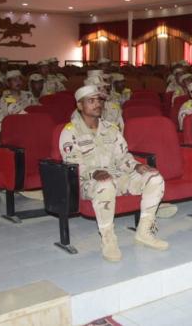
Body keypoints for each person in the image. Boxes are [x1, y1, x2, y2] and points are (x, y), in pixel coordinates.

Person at [59, 85, 168, 262]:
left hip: (117, 176)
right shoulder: (70, 132)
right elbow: (73, 163)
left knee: (154, 178)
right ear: (79, 105)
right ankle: (108, 239)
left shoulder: (111, 128)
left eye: (99, 100)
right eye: (91, 101)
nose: (97, 104)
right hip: (88, 182)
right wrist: (95, 173)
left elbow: (123, 156)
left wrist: (136, 166)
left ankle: (144, 231)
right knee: (104, 184)